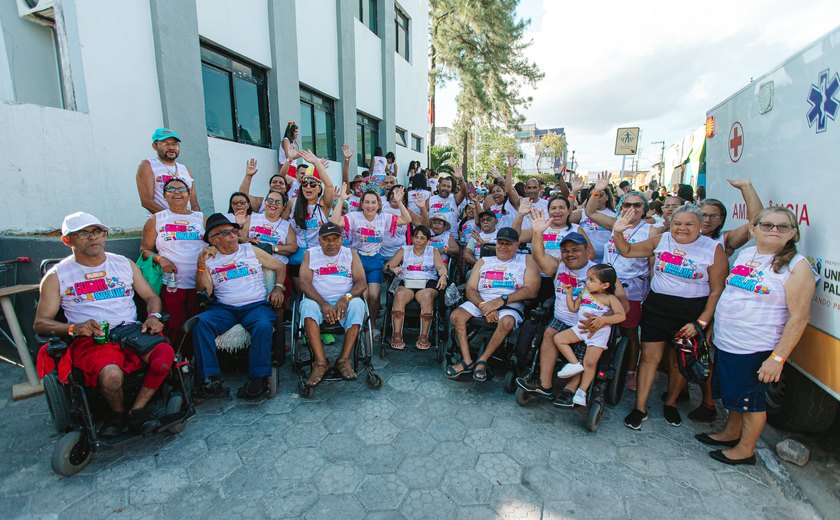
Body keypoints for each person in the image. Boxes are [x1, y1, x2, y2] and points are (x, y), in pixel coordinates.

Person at [35, 212, 174, 436]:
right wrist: (73, 328)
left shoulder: (123, 264)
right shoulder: (57, 276)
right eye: (83, 233)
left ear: (105, 235)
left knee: (165, 357)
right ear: (67, 240)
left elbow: (151, 297)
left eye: (97, 231)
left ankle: (137, 411)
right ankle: (117, 413)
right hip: (93, 337)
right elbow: (40, 323)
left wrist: (153, 317)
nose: (93, 237)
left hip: (131, 330)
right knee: (111, 375)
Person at [698, 207, 817, 465]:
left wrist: (777, 358)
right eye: (767, 225)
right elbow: (733, 293)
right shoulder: (748, 253)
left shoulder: (798, 267)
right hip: (729, 341)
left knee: (752, 404)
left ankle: (745, 450)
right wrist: (715, 327)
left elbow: (799, 318)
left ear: (793, 233)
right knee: (735, 397)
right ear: (753, 229)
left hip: (756, 347)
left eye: (782, 226)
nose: (774, 230)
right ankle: (731, 432)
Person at [612, 205, 727, 430]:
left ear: (700, 225)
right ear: (670, 224)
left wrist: (701, 322)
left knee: (678, 361)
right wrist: (618, 232)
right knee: (648, 358)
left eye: (689, 224)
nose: (682, 228)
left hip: (691, 312)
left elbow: (717, 290)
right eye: (677, 223)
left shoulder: (713, 248)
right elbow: (626, 250)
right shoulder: (661, 240)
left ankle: (671, 403)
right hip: (658, 307)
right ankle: (640, 408)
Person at [516, 215, 630, 407]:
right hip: (562, 318)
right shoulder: (558, 266)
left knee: (585, 345)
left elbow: (623, 305)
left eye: (576, 250)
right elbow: (539, 256)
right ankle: (544, 384)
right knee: (549, 332)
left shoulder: (601, 272)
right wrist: (537, 234)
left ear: (587, 251)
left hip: (589, 323)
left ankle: (571, 389)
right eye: (566, 250)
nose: (570, 254)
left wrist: (602, 320)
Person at [688, 178, 764, 422]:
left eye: (714, 216)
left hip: (710, 303)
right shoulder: (680, 233)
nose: (707, 220)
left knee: (704, 355)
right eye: (703, 214)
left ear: (721, 220)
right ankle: (677, 392)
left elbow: (756, 222)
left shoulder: (724, 240)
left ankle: (708, 403)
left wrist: (746, 189)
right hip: (681, 301)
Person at [192, 213, 286, 400]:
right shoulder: (209, 259)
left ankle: (258, 378)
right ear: (213, 239)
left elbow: (280, 267)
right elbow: (205, 291)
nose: (233, 235)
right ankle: (210, 378)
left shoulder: (249, 250)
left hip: (255, 305)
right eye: (226, 232)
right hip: (224, 308)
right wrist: (201, 264)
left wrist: (278, 287)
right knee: (200, 323)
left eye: (234, 230)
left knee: (263, 325)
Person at [446, 227, 539, 382]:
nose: (503, 247)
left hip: (509, 303)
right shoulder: (484, 261)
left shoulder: (526, 260)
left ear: (517, 244)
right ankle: (467, 359)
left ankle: (482, 360)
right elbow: (470, 288)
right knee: (456, 316)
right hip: (481, 301)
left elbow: (532, 290)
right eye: (500, 243)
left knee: (507, 322)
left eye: (508, 244)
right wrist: (484, 306)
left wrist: (500, 302)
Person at [584, 180, 653, 390]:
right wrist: (598, 189)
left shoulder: (651, 230)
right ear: (620, 207)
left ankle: (631, 371)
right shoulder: (614, 223)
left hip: (632, 288)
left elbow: (652, 265)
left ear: (644, 210)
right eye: (627, 205)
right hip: (605, 285)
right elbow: (590, 212)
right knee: (598, 324)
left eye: (637, 206)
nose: (631, 209)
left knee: (629, 333)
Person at [332, 185, 412, 333]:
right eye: (367, 202)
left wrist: (399, 202)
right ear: (362, 204)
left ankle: (373, 325)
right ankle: (359, 323)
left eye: (373, 202)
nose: (370, 206)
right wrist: (341, 200)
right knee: (364, 295)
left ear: (379, 204)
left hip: (375, 260)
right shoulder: (355, 217)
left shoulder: (384, 217)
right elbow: (335, 222)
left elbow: (407, 219)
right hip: (358, 260)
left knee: (375, 296)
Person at [298, 222, 368, 386]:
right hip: (318, 300)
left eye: (335, 239)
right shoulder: (311, 254)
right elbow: (304, 283)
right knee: (307, 307)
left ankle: (343, 360)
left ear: (341, 239)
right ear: (319, 240)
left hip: (344, 300)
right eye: (326, 240)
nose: (331, 243)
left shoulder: (350, 254)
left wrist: (346, 298)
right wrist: (323, 303)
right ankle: (321, 363)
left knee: (358, 305)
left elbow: (361, 282)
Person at [139, 178, 205, 351]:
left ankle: (196, 363)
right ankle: (175, 363)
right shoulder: (156, 219)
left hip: (199, 283)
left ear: (189, 194)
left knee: (198, 324)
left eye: (182, 189)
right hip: (173, 284)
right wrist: (161, 260)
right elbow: (145, 249)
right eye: (171, 189)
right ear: (164, 195)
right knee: (175, 325)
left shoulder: (200, 218)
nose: (177, 193)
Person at [553, 264, 626, 406]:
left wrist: (604, 319)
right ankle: (574, 364)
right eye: (587, 278)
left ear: (605, 285)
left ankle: (582, 391)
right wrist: (569, 293)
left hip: (599, 334)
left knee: (590, 363)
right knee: (559, 338)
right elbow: (573, 308)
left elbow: (621, 315)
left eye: (592, 280)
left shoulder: (610, 298)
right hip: (580, 328)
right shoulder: (585, 291)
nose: (587, 282)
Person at [513, 196, 595, 300]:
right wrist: (520, 215)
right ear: (548, 211)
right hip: (539, 277)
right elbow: (516, 237)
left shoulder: (575, 229)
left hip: (564, 278)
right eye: (553, 208)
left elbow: (590, 254)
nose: (557, 211)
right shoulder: (540, 228)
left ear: (568, 211)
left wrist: (566, 265)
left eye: (561, 207)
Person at [384, 226, 448, 350]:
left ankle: (424, 336)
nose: (418, 240)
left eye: (422, 238)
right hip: (407, 280)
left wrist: (443, 276)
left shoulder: (432, 250)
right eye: (416, 237)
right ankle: (396, 334)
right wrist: (393, 268)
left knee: (427, 296)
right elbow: (388, 265)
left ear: (428, 240)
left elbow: (440, 267)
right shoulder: (404, 250)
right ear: (412, 238)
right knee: (399, 294)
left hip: (427, 281)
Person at [281, 150, 335, 285]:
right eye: (305, 184)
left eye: (312, 184)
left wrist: (316, 163)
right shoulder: (293, 203)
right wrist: (289, 160)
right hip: (297, 256)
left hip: (318, 255)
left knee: (316, 292)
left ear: (319, 189)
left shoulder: (323, 205)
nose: (308, 187)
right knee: (300, 293)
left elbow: (329, 185)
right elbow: (281, 223)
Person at [136, 128, 200, 214]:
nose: (171, 147)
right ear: (155, 146)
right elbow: (147, 201)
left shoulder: (185, 169)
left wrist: (197, 220)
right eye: (166, 144)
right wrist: (171, 218)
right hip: (162, 224)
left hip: (187, 223)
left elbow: (194, 203)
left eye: (174, 144)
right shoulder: (148, 165)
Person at [572, 184, 615, 263]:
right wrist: (574, 191)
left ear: (607, 197)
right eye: (592, 195)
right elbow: (566, 217)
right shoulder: (582, 213)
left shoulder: (615, 216)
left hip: (607, 261)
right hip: (587, 260)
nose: (596, 198)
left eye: (600, 195)